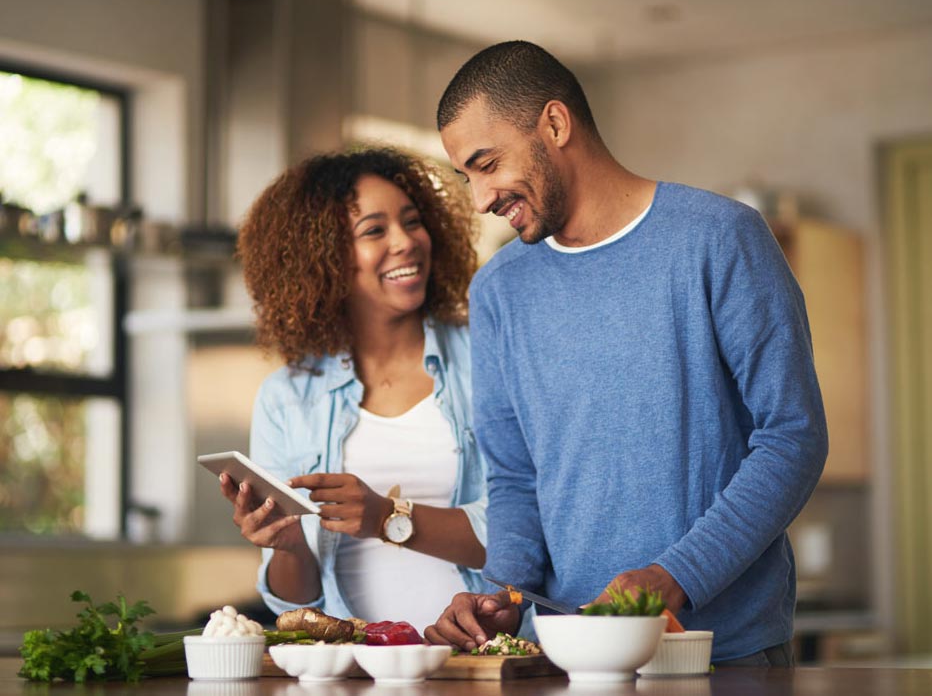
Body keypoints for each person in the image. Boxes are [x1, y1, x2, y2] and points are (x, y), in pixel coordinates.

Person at [425, 41, 828, 666]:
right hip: (565, 653)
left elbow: (792, 437)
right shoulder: (498, 290)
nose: (480, 199)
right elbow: (514, 476)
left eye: (487, 163)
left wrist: (676, 575)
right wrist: (502, 591)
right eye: (466, 176)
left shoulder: (720, 239)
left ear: (555, 124)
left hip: (720, 652)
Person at [219, 147, 487, 634]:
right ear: (322, 259)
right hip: (357, 667)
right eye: (374, 231)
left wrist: (387, 516)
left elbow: (523, 536)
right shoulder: (287, 398)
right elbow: (295, 606)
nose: (406, 242)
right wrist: (286, 545)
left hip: (481, 660)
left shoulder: (486, 360)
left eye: (412, 221)